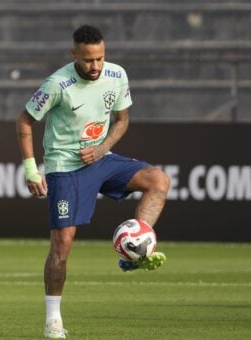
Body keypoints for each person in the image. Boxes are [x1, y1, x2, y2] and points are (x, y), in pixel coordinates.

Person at [16, 25, 170, 339]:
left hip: (100, 158)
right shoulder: (57, 84)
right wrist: (31, 169)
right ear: (74, 55)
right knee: (63, 244)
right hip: (65, 166)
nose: (95, 66)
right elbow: (24, 120)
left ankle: (135, 250)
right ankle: (53, 320)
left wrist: (103, 148)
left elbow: (122, 119)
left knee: (158, 180)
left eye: (100, 58)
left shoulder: (116, 75)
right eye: (88, 60)